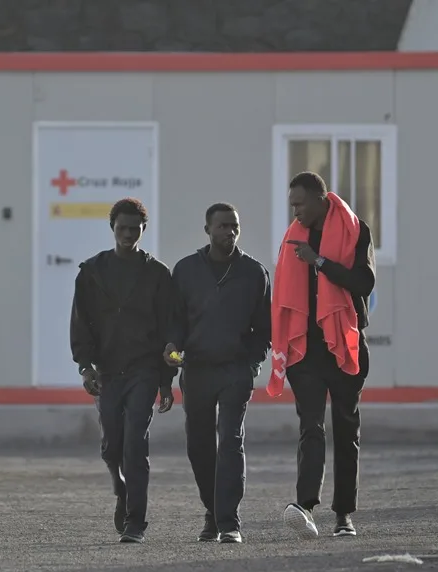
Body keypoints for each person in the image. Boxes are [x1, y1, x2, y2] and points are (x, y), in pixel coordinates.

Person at [267, 171, 375, 539]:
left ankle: (344, 515)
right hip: (306, 347)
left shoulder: (355, 230)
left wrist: (320, 262)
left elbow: (364, 282)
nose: (294, 211)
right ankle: (305, 507)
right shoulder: (294, 236)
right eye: (291, 204)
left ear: (320, 198)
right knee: (311, 425)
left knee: (346, 429)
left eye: (299, 203)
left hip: (344, 342)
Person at [70, 197, 178, 544]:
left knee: (135, 444)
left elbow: (167, 328)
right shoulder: (92, 272)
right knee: (111, 447)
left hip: (144, 370)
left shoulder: (157, 273)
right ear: (112, 228)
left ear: (144, 230)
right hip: (107, 371)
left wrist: (166, 380)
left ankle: (136, 522)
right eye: (123, 228)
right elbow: (80, 324)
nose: (129, 234)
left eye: (136, 228)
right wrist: (85, 367)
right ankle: (121, 486)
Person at [164, 203, 272, 544]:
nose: (230, 232)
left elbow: (264, 329)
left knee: (230, 441)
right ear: (208, 229)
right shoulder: (185, 270)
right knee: (199, 445)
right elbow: (175, 321)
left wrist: (252, 364)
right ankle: (212, 513)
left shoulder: (254, 273)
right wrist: (172, 348)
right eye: (223, 226)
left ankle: (229, 521)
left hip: (234, 371)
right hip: (195, 370)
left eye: (235, 226)